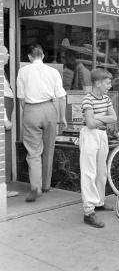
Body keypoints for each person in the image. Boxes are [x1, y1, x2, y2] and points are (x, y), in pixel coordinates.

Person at [17, 44, 67, 202]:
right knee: (49, 148)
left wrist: (29, 111)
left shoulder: (23, 71)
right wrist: (62, 116)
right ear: (43, 56)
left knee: (33, 151)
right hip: (50, 108)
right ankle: (46, 185)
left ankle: (36, 187)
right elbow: (61, 96)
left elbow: (21, 99)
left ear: (30, 57)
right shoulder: (53, 72)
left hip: (32, 110)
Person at [80, 69, 117, 228]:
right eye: (107, 83)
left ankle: (99, 203)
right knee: (89, 172)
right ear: (97, 83)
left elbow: (114, 118)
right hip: (89, 135)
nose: (110, 86)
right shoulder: (87, 99)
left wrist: (96, 117)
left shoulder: (107, 98)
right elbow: (89, 124)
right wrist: (102, 119)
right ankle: (88, 212)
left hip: (102, 135)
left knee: (101, 171)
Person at [3, 46, 19, 198]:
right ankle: (3, 187)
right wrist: (5, 119)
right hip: (3, 120)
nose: (9, 55)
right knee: (4, 150)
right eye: (7, 53)